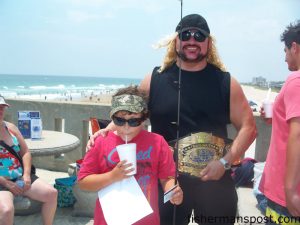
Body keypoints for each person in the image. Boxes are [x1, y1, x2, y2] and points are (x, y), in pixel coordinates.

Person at [88, 14, 256, 225]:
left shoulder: (226, 83)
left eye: (199, 36)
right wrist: (106, 131)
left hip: (215, 180)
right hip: (165, 181)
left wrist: (224, 163)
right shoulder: (155, 79)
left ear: (209, 43)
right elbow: (129, 112)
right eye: (186, 35)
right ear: (175, 41)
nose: (192, 41)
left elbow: (249, 128)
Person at [77, 86, 183, 225]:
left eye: (133, 121)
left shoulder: (157, 142)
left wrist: (173, 190)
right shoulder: (100, 142)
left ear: (144, 119)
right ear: (112, 118)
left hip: (147, 220)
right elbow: (83, 182)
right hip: (108, 220)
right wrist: (112, 176)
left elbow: (167, 177)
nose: (126, 127)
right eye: (120, 121)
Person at [259, 20, 300, 225]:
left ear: (295, 47)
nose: (285, 58)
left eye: (286, 50)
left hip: (286, 195)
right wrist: (276, 117)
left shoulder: (296, 80)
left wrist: (291, 191)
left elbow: (298, 134)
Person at [0, 95, 57, 225]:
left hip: (19, 176)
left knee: (51, 193)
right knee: (6, 209)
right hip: (2, 182)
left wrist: (26, 175)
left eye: (2, 107)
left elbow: (25, 152)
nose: (0, 111)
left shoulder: (11, 128)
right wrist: (7, 184)